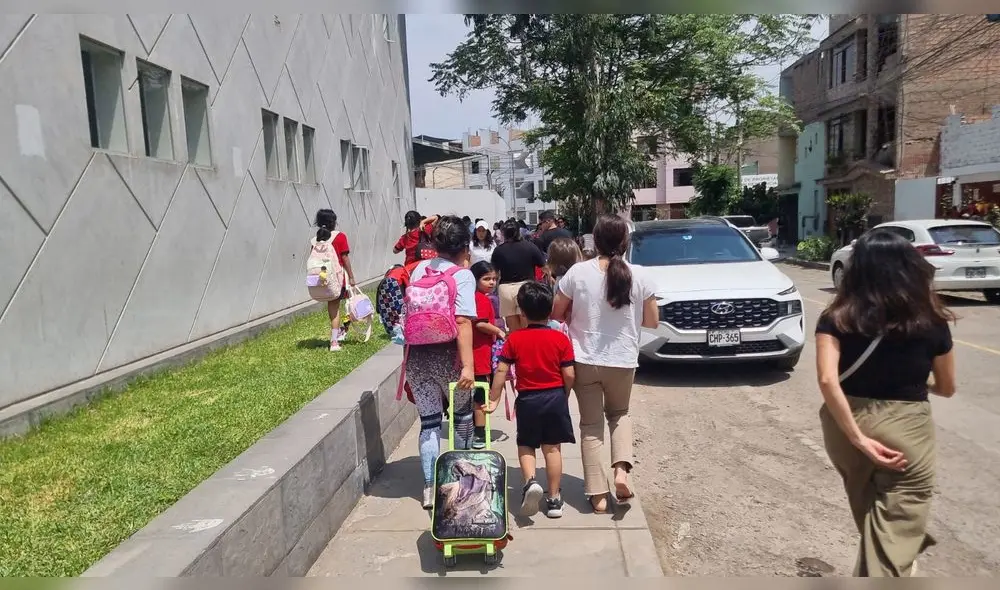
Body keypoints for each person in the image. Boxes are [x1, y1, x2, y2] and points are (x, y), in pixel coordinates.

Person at [815, 229, 957, 577]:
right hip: (906, 426)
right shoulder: (931, 323)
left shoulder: (835, 318)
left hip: (845, 424)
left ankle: (900, 558)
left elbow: (827, 379)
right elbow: (947, 387)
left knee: (871, 515)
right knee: (896, 522)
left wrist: (858, 438)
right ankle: (897, 561)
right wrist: (914, 380)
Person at [551, 215, 658, 513]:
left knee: (590, 425)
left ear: (594, 241)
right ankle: (621, 472)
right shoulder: (641, 275)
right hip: (623, 360)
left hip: (584, 359)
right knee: (620, 414)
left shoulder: (577, 272)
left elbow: (556, 313)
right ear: (625, 242)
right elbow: (651, 320)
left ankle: (598, 496)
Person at [404, 216, 478, 509]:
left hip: (417, 357)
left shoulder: (419, 269)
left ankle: (430, 488)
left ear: (434, 244)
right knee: (461, 420)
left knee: (429, 423)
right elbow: (462, 322)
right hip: (449, 357)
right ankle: (460, 484)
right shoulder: (462, 275)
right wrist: (469, 367)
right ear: (464, 246)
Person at [485, 281, 575, 519]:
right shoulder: (560, 340)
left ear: (521, 312)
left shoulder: (515, 340)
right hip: (554, 395)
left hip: (528, 398)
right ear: (549, 311)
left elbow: (502, 371)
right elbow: (569, 373)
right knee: (552, 448)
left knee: (526, 444)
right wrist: (564, 393)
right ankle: (554, 499)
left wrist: (494, 399)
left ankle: (530, 483)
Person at [470, 261, 505, 450]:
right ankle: (480, 434)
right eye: (486, 279)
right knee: (481, 397)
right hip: (480, 355)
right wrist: (499, 332)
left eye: (494, 279)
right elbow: (480, 323)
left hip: (478, 354)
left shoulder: (479, 297)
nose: (492, 282)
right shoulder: (481, 299)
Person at [311, 209, 356, 351]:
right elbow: (345, 258)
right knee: (340, 307)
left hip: (322, 278)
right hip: (338, 278)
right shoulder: (340, 237)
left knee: (333, 308)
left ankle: (340, 332)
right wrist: (352, 276)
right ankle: (335, 341)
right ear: (333, 222)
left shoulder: (315, 240)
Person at [492, 219, 545, 333]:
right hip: (526, 287)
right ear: (518, 231)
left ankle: (516, 348)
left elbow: (495, 273)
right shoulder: (530, 247)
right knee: (527, 325)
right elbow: (543, 266)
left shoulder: (498, 250)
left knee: (512, 328)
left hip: (505, 288)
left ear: (504, 233)